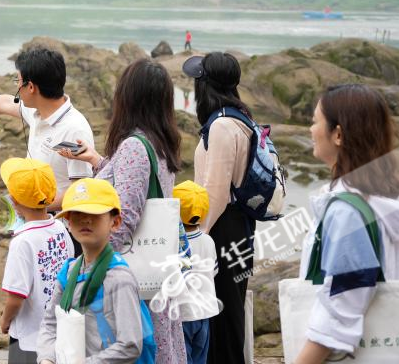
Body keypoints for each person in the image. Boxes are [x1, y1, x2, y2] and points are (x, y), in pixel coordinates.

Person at [59, 58, 187, 364]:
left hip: (131, 277)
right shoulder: (161, 142)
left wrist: (91, 266)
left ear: (128, 98)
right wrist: (98, 162)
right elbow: (136, 185)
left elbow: (126, 216)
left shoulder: (134, 146)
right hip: (159, 269)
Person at [292, 84, 399, 364]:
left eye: (315, 122)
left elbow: (341, 308)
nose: (311, 130)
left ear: (338, 134)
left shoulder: (347, 211)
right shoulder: (380, 199)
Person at [182, 52, 257, 364]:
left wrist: (193, 238)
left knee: (222, 313)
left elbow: (215, 192)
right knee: (228, 309)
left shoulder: (223, 125)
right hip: (237, 228)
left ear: (205, 85)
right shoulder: (238, 118)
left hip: (222, 231)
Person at [36, 178, 152, 363]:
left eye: (95, 213)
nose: (85, 219)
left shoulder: (119, 278)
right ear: (68, 222)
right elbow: (50, 323)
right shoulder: (69, 272)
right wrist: (47, 359)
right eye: (77, 213)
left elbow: (130, 345)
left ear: (115, 222)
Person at [0, 46, 94, 211]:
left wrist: (33, 207)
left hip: (59, 226)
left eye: (18, 81)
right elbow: (8, 103)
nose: (17, 87)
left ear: (31, 87)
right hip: (33, 218)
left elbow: (80, 189)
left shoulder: (73, 130)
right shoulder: (38, 111)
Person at [0, 157, 74, 363]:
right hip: (58, 331)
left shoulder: (22, 241)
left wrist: (5, 320)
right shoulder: (61, 227)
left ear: (13, 200)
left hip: (28, 339)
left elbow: (16, 296)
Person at [173, 180, 219, 364]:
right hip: (204, 312)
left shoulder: (174, 244)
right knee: (201, 358)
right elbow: (213, 271)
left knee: (184, 358)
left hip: (182, 314)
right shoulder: (208, 241)